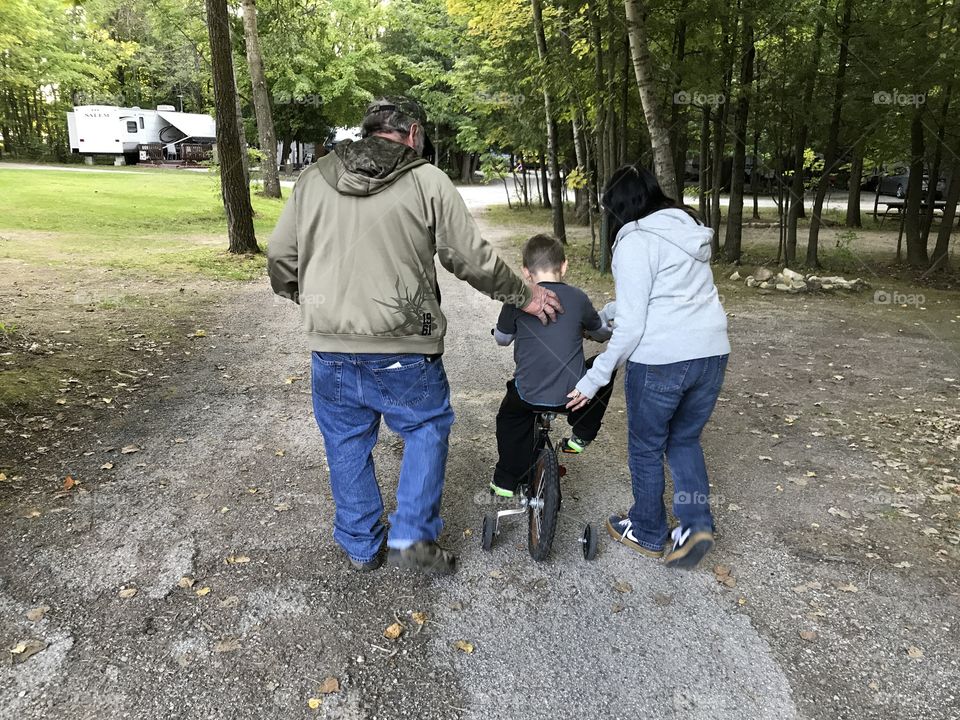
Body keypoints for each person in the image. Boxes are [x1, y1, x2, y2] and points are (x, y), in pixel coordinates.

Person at [267, 97, 562, 575]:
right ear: (413, 133)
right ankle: (411, 539)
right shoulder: (427, 180)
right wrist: (522, 295)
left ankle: (362, 546)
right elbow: (469, 257)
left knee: (345, 442)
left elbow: (281, 258)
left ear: (368, 131)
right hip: (408, 344)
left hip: (331, 347)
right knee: (425, 429)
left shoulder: (314, 178)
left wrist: (312, 300)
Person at [566, 164, 730, 570]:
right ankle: (695, 526)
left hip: (661, 360)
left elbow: (637, 325)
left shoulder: (635, 239)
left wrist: (594, 377)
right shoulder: (685, 229)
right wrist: (607, 316)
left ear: (620, 208)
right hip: (710, 353)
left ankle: (648, 530)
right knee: (685, 439)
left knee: (646, 445)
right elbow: (663, 296)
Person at [491, 234, 615, 497]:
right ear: (565, 266)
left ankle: (506, 480)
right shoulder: (578, 298)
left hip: (528, 395)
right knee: (604, 370)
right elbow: (601, 333)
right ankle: (581, 433)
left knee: (509, 418)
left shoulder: (516, 299)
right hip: (573, 396)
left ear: (526, 272)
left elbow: (502, 340)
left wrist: (501, 331)